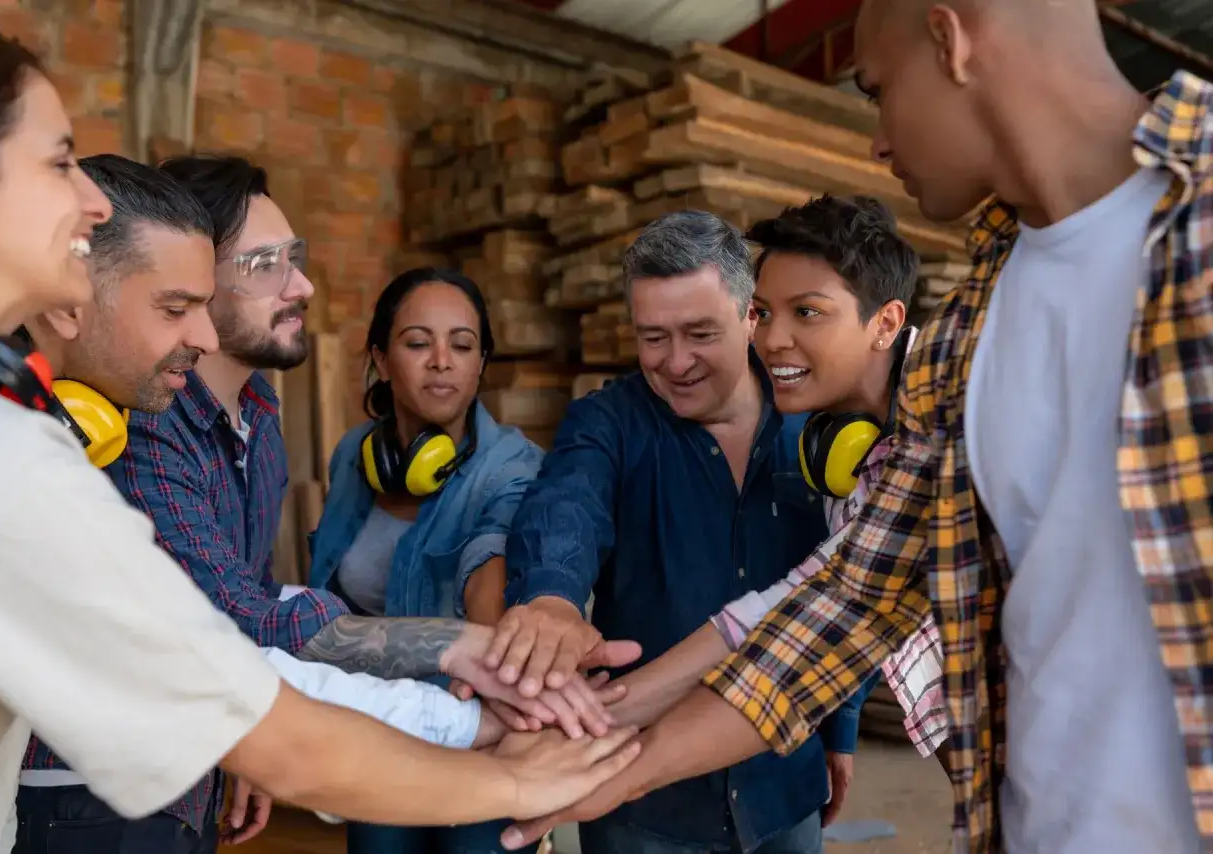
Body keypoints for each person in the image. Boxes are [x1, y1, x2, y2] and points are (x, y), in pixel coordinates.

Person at [506, 1, 1213, 852]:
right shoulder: (967, 329)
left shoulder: (1196, 232)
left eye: (877, 89)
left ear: (950, 39)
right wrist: (618, 768)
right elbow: (850, 600)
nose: (877, 140)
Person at [0, 8, 641, 854]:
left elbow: (249, 624)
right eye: (58, 164)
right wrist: (513, 776)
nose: (91, 198)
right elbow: (244, 696)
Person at [10, 153, 517, 853]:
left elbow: (251, 601)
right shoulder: (138, 422)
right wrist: (465, 678)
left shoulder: (259, 414)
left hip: (192, 762)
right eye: (264, 265)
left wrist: (245, 743)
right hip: (94, 785)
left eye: (294, 259)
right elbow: (235, 623)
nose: (301, 285)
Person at [498, 195, 951, 851]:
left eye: (701, 334)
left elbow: (831, 603)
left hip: (782, 779)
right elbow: (565, 508)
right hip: (652, 809)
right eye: (654, 337)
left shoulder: (862, 420)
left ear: (745, 318)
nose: (676, 361)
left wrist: (840, 729)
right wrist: (551, 601)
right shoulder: (611, 422)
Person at [308, 266, 597, 854]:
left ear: (481, 362)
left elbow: (489, 565)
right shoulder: (352, 457)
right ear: (381, 359)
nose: (442, 361)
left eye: (462, 346)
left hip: (479, 732)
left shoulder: (513, 467)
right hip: (376, 730)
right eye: (418, 343)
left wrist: (490, 655)